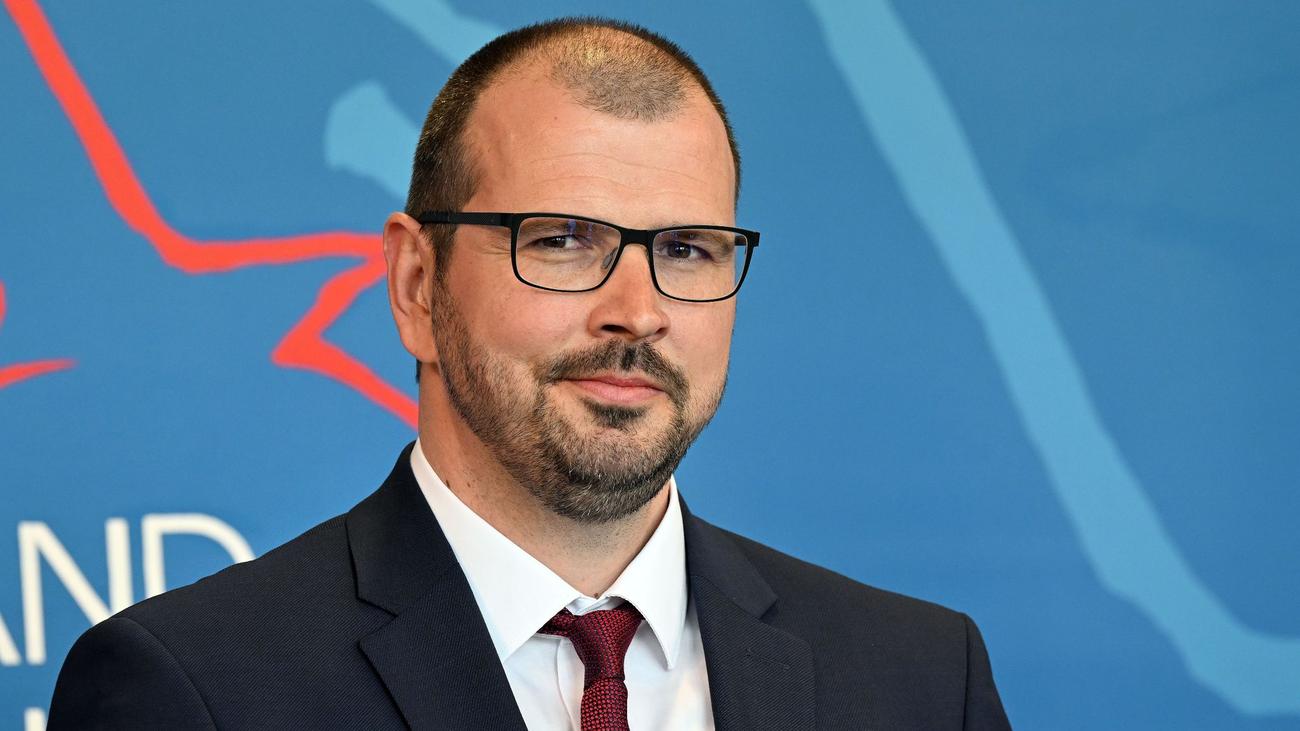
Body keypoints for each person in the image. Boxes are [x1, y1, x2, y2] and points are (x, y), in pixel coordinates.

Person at [47, 17, 1011, 731]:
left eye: (686, 249)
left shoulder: (924, 681)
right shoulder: (196, 690)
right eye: (562, 239)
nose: (638, 310)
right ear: (416, 284)